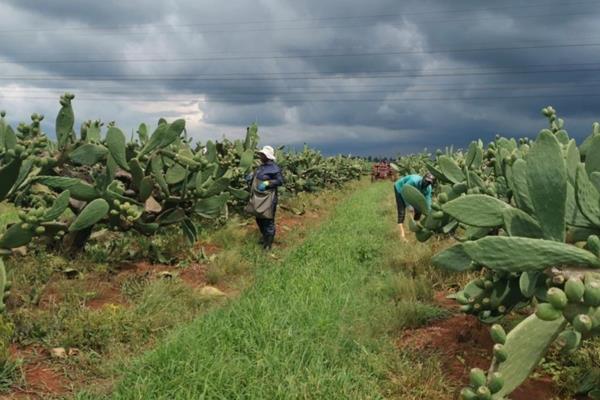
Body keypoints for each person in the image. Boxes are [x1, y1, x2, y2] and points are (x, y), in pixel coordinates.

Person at [246, 145, 284, 250]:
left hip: (268, 198)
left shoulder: (274, 168)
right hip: (258, 196)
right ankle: (265, 236)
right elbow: (257, 176)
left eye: (262, 154)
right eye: (260, 154)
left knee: (268, 219)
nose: (260, 156)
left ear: (267, 156)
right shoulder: (261, 167)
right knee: (259, 217)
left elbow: (280, 181)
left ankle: (268, 244)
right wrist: (251, 177)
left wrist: (268, 183)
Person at [394, 172, 435, 241]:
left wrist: (429, 212)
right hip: (400, 188)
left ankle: (414, 229)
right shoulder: (413, 181)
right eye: (426, 181)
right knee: (401, 211)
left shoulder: (428, 188)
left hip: (411, 191)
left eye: (429, 182)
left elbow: (427, 200)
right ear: (423, 178)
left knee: (419, 210)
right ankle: (402, 235)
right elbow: (405, 191)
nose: (427, 183)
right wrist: (408, 205)